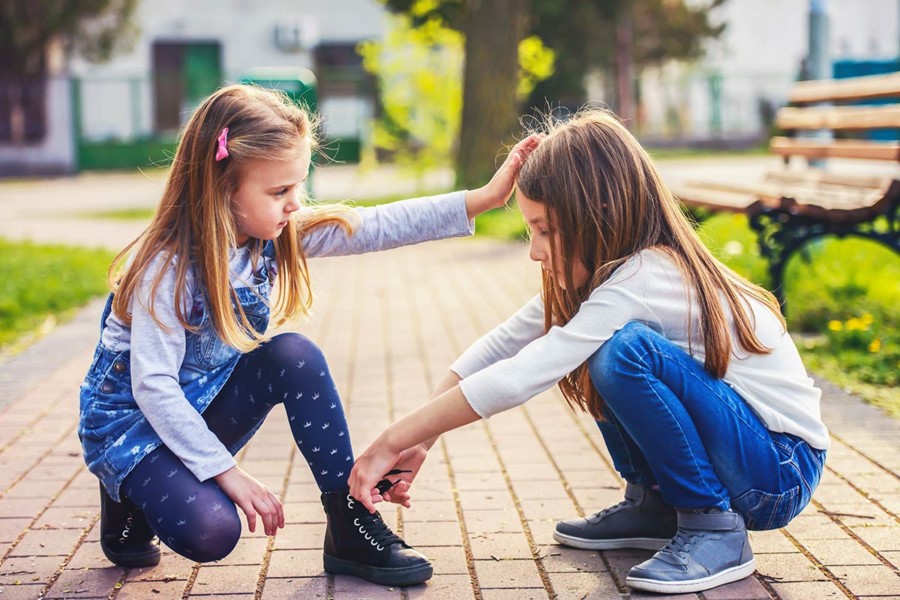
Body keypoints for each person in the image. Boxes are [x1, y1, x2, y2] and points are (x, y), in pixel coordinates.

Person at [349, 109, 829, 594]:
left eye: (545, 230)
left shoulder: (643, 277)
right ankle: (656, 505)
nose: (534, 251)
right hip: (756, 454)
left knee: (622, 355)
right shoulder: (613, 277)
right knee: (607, 349)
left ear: (597, 217)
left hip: (779, 468)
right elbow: (502, 346)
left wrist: (390, 440)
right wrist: (421, 440)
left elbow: (520, 376)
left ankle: (712, 528)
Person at [78, 83, 537, 587]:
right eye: (279, 192)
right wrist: (225, 473)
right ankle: (125, 489)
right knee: (212, 532)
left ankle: (349, 524)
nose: (295, 204)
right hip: (134, 424)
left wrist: (485, 199)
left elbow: (378, 224)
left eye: (298, 187)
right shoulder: (167, 269)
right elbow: (154, 388)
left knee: (292, 354)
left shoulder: (268, 232)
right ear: (222, 187)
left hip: (196, 406)